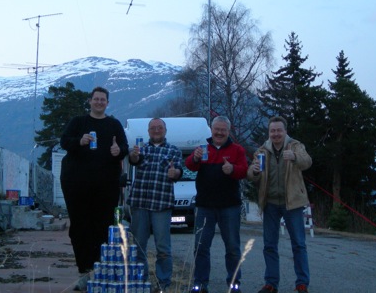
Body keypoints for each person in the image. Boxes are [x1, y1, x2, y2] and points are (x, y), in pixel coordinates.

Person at [59, 86, 129, 291]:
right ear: (90, 101)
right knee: (80, 227)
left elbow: (124, 148)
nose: (99, 102)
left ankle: (99, 269)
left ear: (107, 103)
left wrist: (118, 150)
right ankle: (84, 269)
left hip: (106, 186)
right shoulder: (78, 122)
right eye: (96, 99)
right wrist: (79, 141)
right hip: (76, 184)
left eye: (102, 100)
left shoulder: (114, 124)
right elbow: (64, 142)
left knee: (103, 226)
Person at [247, 116, 312, 293]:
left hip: (292, 203)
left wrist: (295, 157)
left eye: (279, 130)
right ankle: (271, 284)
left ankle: (302, 284)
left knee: (298, 244)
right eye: (272, 131)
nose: (276, 134)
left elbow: (307, 161)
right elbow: (251, 174)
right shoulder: (262, 150)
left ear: (285, 131)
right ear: (269, 133)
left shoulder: (295, 146)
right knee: (269, 245)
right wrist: (254, 171)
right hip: (270, 203)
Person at [185, 115, 248, 293]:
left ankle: (234, 284)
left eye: (223, 130)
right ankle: (200, 284)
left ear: (228, 131)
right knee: (201, 247)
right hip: (205, 206)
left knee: (233, 247)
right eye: (216, 129)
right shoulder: (202, 148)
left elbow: (244, 171)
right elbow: (189, 165)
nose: (219, 133)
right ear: (211, 130)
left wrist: (233, 169)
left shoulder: (237, 150)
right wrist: (195, 158)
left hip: (230, 206)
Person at [128, 118, 183, 293]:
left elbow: (179, 171)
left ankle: (163, 284)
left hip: (161, 204)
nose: (156, 130)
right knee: (138, 246)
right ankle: (141, 282)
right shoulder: (141, 149)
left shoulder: (174, 150)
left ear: (165, 130)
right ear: (148, 131)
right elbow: (133, 160)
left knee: (163, 248)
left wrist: (175, 173)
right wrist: (133, 156)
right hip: (140, 203)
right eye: (153, 128)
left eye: (160, 127)